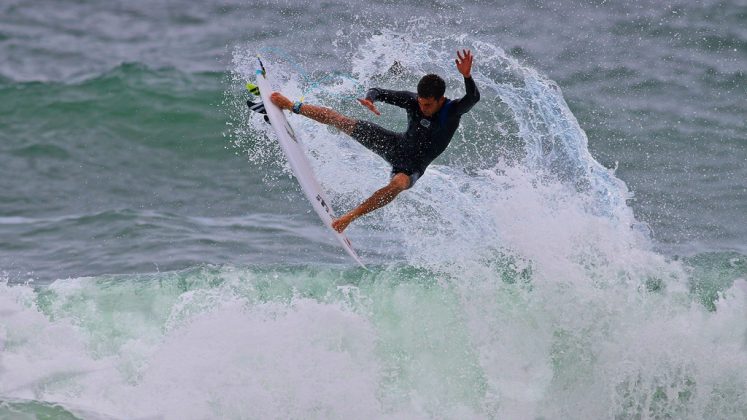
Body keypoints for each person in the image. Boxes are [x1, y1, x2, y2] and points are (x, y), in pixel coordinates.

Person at [270, 49, 480, 232]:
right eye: (421, 102)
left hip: (413, 167)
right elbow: (377, 91)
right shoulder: (413, 101)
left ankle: (350, 216)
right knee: (341, 121)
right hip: (394, 145)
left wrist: (467, 76)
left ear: (440, 100)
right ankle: (291, 105)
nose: (422, 108)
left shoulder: (452, 111)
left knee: (398, 184)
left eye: (428, 105)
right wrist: (370, 100)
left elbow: (473, 98)